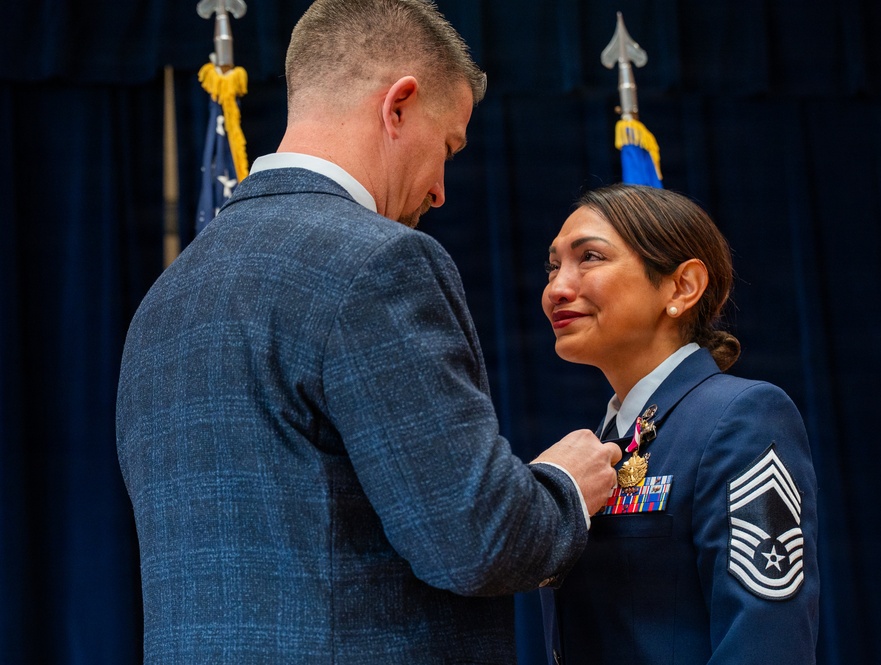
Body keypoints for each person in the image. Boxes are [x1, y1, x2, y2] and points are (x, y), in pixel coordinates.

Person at [115, 1, 622, 662]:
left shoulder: (165, 296)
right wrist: (561, 485)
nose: (440, 190)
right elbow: (474, 537)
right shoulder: (380, 261)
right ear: (400, 105)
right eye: (448, 147)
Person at [540, 184, 819, 663]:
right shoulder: (609, 440)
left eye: (589, 257)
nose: (557, 288)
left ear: (681, 286)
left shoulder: (741, 417)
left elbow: (764, 643)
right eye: (553, 265)